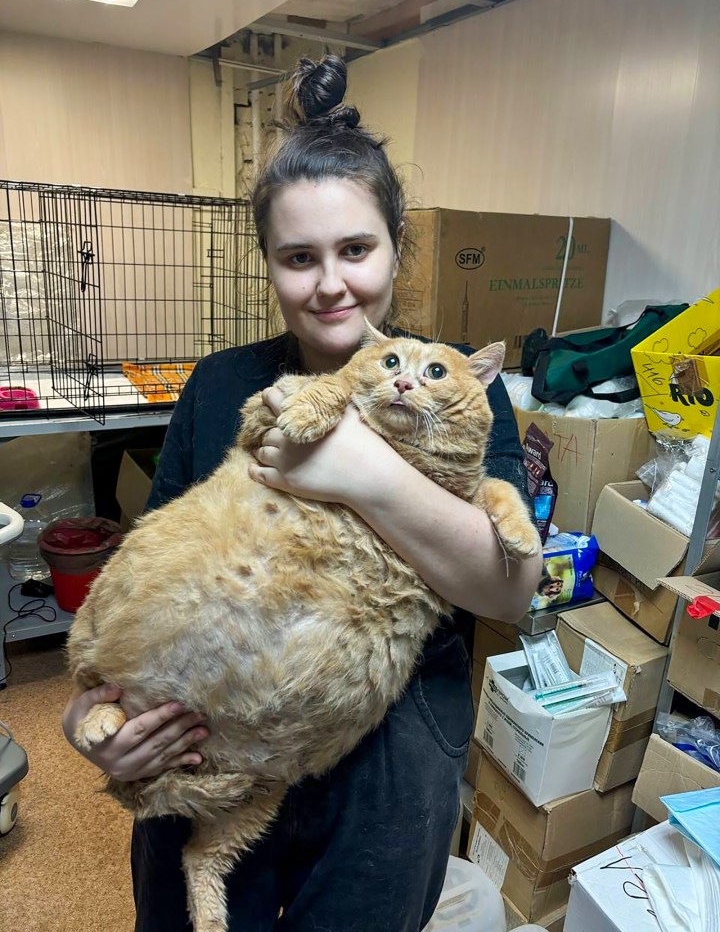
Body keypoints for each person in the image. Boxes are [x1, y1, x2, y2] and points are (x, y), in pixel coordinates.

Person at [62, 54, 541, 932]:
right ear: (270, 265)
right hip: (207, 720)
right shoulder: (218, 386)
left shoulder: (454, 386)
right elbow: (147, 569)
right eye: (298, 257)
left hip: (387, 744)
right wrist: (91, 709)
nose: (329, 284)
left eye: (356, 249)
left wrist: (360, 473)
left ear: (398, 244)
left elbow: (508, 589)